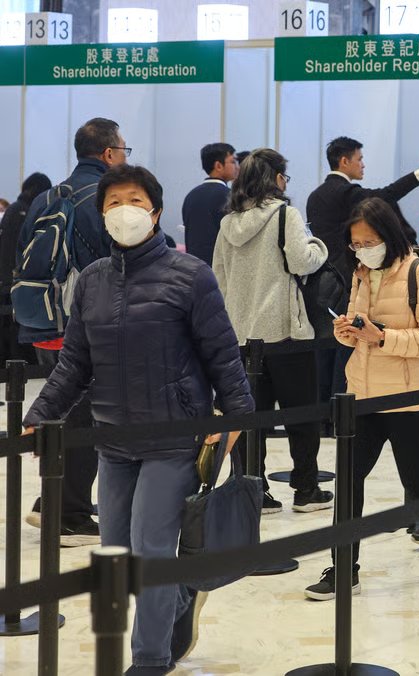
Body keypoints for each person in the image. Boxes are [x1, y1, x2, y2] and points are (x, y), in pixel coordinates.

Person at [23, 164, 253, 675]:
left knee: (151, 550)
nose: (122, 210)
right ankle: (180, 599)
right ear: (101, 214)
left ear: (155, 210)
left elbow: (222, 353)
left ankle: (149, 659)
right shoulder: (92, 283)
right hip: (113, 436)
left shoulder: (190, 274)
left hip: (173, 436)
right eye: (111, 202)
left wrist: (238, 416)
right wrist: (42, 413)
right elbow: (75, 363)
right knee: (119, 553)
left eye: (133, 199)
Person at [304, 197, 419, 602]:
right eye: (356, 243)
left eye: (370, 240)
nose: (363, 249)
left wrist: (382, 337)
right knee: (348, 480)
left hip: (410, 396)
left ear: (389, 235)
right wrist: (347, 330)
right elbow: (358, 332)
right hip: (363, 394)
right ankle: (344, 565)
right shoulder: (361, 272)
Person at [19, 117, 129, 544]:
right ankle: (71, 514)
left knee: (61, 407)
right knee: (88, 416)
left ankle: (52, 500)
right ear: (108, 154)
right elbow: (116, 263)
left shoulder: (51, 194)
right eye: (123, 149)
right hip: (89, 323)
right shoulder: (102, 197)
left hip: (46, 320)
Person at [213, 148, 332, 514]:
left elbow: (217, 277)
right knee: (301, 413)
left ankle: (256, 489)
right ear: (277, 179)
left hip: (242, 335)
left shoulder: (228, 223)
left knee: (253, 418)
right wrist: (319, 246)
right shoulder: (285, 213)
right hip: (285, 332)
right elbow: (301, 260)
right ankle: (306, 488)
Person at [305, 137, 419, 432]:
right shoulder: (347, 193)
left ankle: (328, 416)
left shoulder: (315, 196)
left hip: (324, 282)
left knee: (329, 352)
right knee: (348, 348)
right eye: (359, 158)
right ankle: (337, 415)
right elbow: (386, 196)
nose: (363, 164)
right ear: (344, 161)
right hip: (351, 280)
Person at [0, 172, 51, 363]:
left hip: (6, 283)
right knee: (19, 339)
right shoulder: (26, 213)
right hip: (20, 285)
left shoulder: (13, 210)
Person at [181, 142, 238, 266]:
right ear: (218, 166)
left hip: (193, 268)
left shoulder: (191, 196)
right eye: (233, 162)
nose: (237, 167)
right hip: (220, 270)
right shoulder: (230, 196)